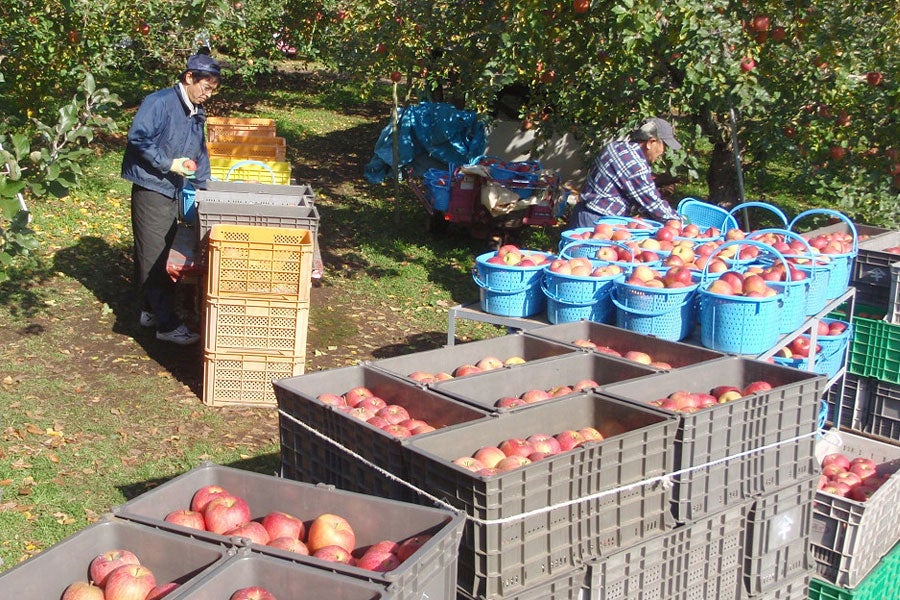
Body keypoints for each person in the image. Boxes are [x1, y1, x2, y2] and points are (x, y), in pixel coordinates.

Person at [121, 53, 221, 345]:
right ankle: (166, 325)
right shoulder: (160, 102)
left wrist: (206, 186)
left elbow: (198, 150)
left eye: (213, 89)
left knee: (161, 250)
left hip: (172, 189)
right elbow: (138, 138)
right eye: (205, 86)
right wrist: (168, 164)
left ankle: (149, 310)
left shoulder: (194, 109)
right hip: (152, 187)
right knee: (153, 258)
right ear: (189, 77)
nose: (208, 93)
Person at [570, 117, 681, 228]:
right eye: (664, 146)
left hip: (585, 213)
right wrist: (678, 221)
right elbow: (651, 202)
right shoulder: (633, 163)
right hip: (598, 222)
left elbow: (638, 198)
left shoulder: (617, 147)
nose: (663, 152)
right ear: (651, 142)